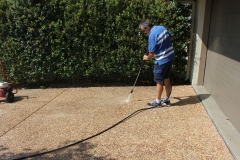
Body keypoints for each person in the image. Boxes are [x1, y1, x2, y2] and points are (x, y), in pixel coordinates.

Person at [139, 19, 175, 107]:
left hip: (161, 60)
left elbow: (151, 53)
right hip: (170, 57)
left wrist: (146, 57)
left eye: (144, 31)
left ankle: (158, 101)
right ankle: (167, 99)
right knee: (166, 78)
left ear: (147, 27)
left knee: (159, 81)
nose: (144, 33)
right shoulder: (161, 27)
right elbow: (171, 37)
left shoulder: (152, 35)